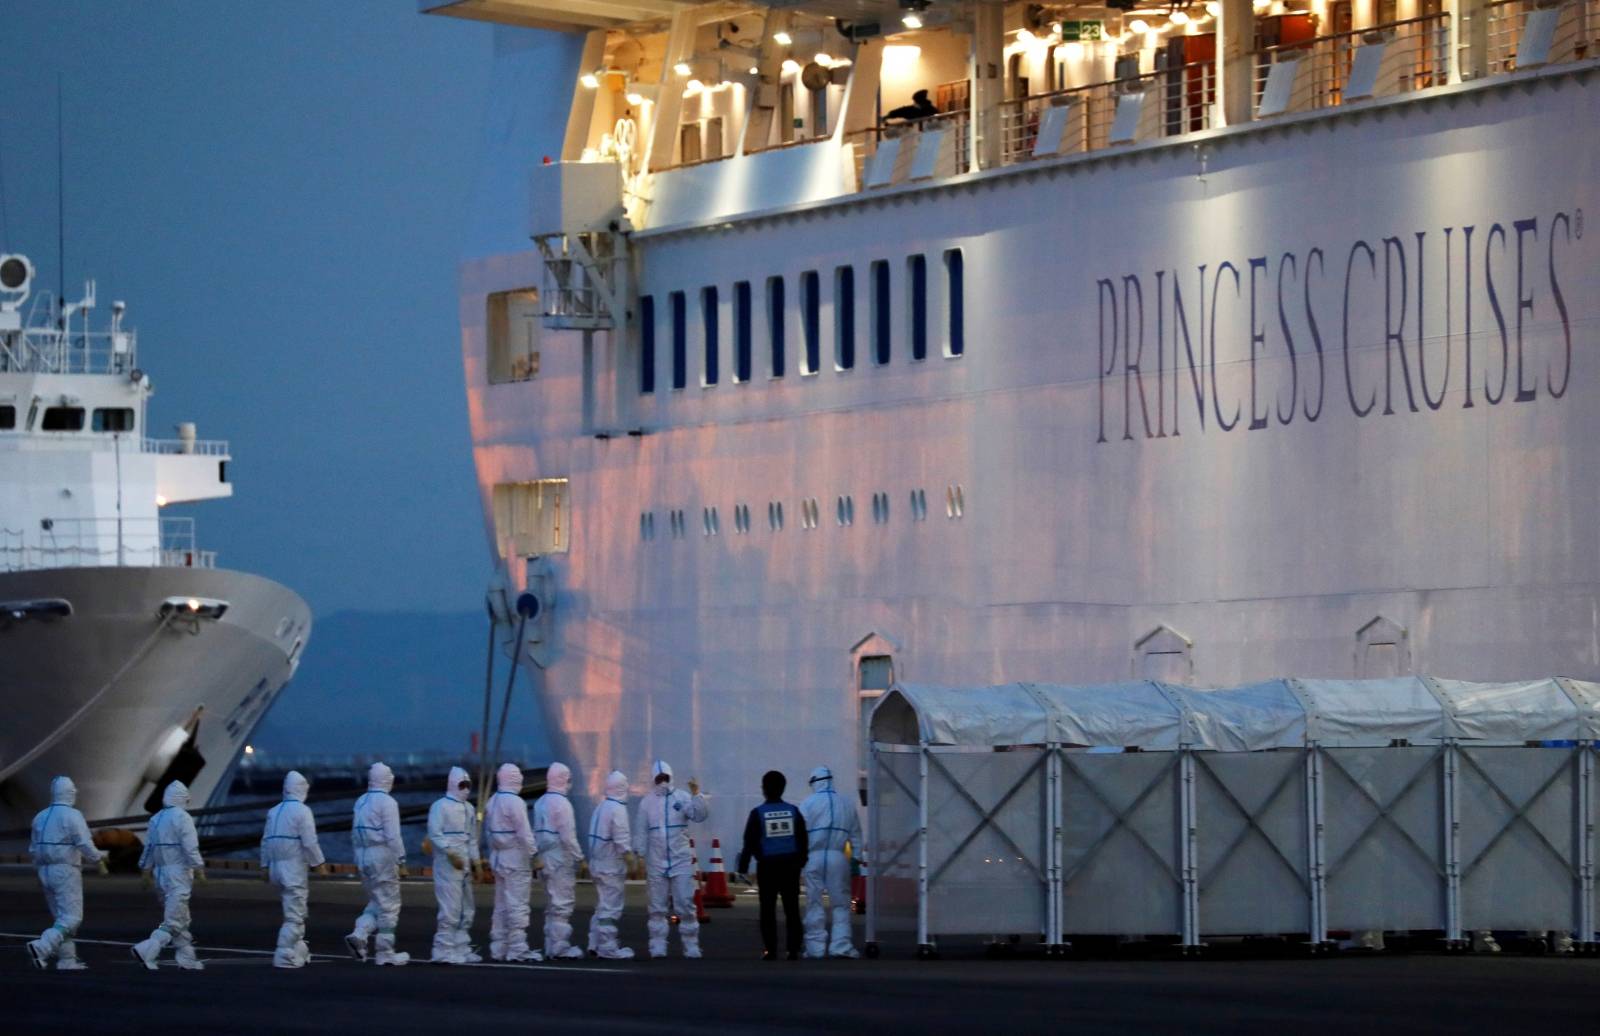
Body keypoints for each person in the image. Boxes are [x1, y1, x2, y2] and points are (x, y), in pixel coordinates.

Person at [26, 775, 105, 971]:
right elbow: (83, 842)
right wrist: (98, 859)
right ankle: (42, 946)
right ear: (70, 793)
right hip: (65, 870)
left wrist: (40, 869)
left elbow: (33, 848)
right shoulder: (72, 815)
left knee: (60, 917)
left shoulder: (40, 816)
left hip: (44, 870)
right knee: (72, 917)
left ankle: (67, 959)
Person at [633, 759, 709, 958]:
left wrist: (696, 795)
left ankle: (691, 944)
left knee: (685, 903)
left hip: (681, 859)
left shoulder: (683, 797)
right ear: (653, 779)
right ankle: (657, 945)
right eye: (659, 778)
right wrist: (639, 855)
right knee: (657, 906)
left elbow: (700, 815)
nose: (662, 781)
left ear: (671, 776)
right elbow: (640, 831)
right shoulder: (647, 803)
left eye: (665, 777)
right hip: (656, 861)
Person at [131, 780, 206, 971]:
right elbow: (190, 847)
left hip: (160, 874)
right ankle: (147, 949)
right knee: (173, 921)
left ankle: (187, 959)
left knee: (180, 917)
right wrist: (199, 867)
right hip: (178, 873)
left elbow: (148, 847)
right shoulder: (183, 818)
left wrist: (145, 870)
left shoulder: (156, 819)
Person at [737, 770, 809, 960]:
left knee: (767, 909)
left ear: (764, 790)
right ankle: (793, 949)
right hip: (790, 867)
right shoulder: (793, 811)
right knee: (792, 908)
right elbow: (803, 839)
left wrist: (743, 867)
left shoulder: (757, 813)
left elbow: (749, 842)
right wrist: (800, 862)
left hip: (767, 867)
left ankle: (771, 949)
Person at [260, 769, 327, 968]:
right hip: (293, 869)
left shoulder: (273, 811)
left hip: (275, 868)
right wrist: (319, 864)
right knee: (295, 914)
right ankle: (283, 954)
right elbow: (309, 842)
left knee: (293, 909)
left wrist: (264, 865)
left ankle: (299, 950)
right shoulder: (302, 811)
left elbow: (265, 841)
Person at [346, 761, 409, 965]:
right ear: (387, 780)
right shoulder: (388, 803)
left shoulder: (361, 801)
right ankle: (385, 952)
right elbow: (393, 836)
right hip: (382, 856)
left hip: (363, 856)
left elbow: (354, 833)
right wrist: (401, 859)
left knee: (376, 901)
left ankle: (359, 934)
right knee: (390, 905)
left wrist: (358, 858)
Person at [798, 765, 863, 958]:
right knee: (841, 904)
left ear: (814, 783)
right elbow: (856, 835)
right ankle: (841, 946)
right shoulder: (846, 803)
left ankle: (814, 948)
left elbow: (799, 833)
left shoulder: (807, 804)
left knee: (814, 902)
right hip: (838, 856)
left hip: (813, 857)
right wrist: (856, 858)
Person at [485, 762, 542, 962]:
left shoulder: (492, 801)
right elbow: (524, 832)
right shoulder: (515, 802)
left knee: (500, 905)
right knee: (517, 903)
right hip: (515, 857)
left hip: (498, 857)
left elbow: (488, 833)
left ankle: (498, 947)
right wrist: (534, 855)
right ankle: (518, 948)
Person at [428, 765, 482, 963]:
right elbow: (434, 833)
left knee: (467, 909)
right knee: (450, 908)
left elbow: (472, 838)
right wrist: (449, 853)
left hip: (464, 863)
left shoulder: (469, 809)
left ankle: (461, 946)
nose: (466, 789)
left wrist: (476, 863)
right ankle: (442, 949)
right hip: (447, 864)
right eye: (462, 785)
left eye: (468, 785)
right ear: (453, 784)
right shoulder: (440, 806)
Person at [533, 761, 587, 960]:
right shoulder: (563, 804)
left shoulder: (540, 802)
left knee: (551, 903)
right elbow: (567, 836)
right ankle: (560, 947)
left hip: (544, 857)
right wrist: (580, 858)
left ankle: (551, 945)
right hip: (559, 858)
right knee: (562, 903)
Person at [585, 770, 635, 960]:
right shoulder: (617, 809)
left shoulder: (602, 806)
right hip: (610, 866)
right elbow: (621, 838)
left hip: (598, 863)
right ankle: (608, 947)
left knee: (602, 906)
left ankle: (595, 942)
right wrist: (630, 859)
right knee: (610, 907)